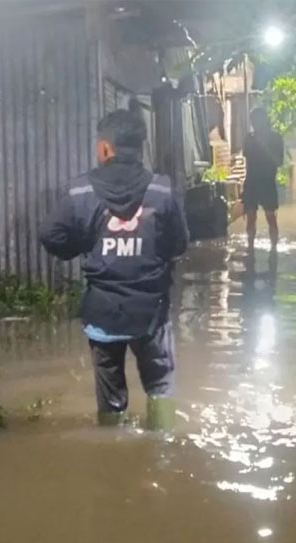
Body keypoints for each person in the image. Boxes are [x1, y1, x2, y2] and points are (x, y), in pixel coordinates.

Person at [40, 107, 189, 429]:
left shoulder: (79, 191)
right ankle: (164, 445)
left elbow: (50, 235)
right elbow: (179, 244)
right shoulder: (162, 190)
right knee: (160, 383)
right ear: (140, 147)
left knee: (110, 394)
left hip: (102, 311)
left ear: (106, 147)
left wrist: (85, 244)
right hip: (151, 310)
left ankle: (113, 444)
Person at [240, 107, 284, 253]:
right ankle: (250, 249)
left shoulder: (275, 138)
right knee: (250, 218)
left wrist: (265, 147)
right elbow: (247, 162)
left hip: (267, 182)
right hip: (252, 182)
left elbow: (279, 162)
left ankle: (274, 250)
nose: (254, 124)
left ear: (264, 121)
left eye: (256, 121)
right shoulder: (249, 139)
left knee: (271, 218)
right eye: (252, 121)